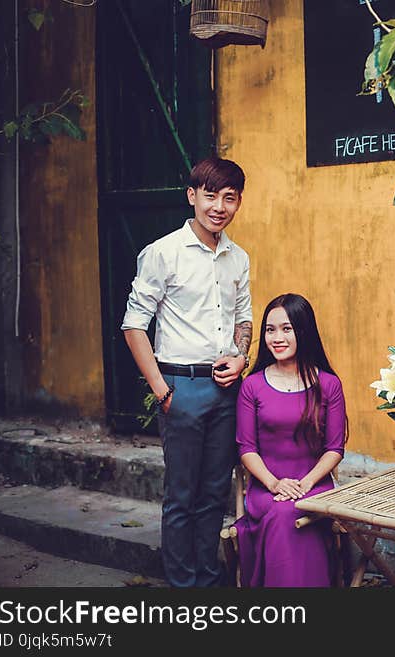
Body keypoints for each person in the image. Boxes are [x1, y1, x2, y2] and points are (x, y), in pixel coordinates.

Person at [120, 157, 252, 587]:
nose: (219, 206)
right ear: (192, 196)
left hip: (226, 388)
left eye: (229, 198)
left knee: (214, 494)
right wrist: (162, 391)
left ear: (238, 203)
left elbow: (243, 319)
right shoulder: (163, 253)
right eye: (210, 195)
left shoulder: (238, 258)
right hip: (180, 387)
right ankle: (183, 587)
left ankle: (209, 581)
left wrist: (241, 357)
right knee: (182, 496)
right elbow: (134, 325)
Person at [234, 293, 347, 587]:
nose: (277, 337)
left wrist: (306, 483)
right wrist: (274, 484)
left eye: (287, 328)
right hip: (266, 488)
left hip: (315, 485)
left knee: (292, 511)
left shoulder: (329, 384)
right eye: (270, 330)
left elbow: (334, 449)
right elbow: (247, 449)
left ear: (303, 330)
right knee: (283, 512)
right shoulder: (252, 385)